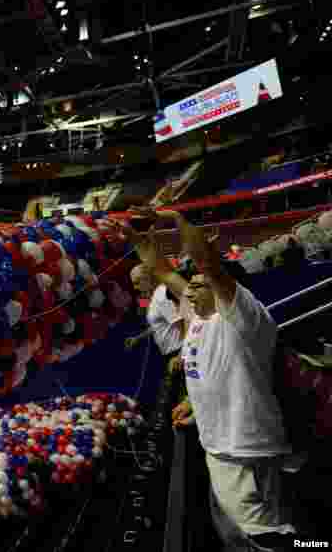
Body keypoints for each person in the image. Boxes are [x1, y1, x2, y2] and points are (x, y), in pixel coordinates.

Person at [126, 207, 296, 551]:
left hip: (246, 453)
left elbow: (208, 264)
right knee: (234, 537)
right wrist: (141, 239)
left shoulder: (244, 318)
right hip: (218, 448)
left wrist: (174, 217)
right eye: (189, 286)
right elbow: (159, 269)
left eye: (200, 285)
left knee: (270, 541)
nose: (188, 291)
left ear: (225, 292)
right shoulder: (197, 313)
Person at [125, 264, 186, 365]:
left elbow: (181, 323)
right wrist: (138, 338)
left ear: (147, 278)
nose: (135, 288)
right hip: (171, 353)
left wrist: (181, 354)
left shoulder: (161, 295)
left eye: (137, 283)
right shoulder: (154, 297)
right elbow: (157, 325)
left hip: (178, 352)